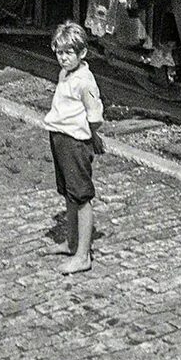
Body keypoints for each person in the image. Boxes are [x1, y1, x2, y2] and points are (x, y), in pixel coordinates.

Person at [44, 20, 106, 273]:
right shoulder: (65, 74)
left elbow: (96, 115)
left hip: (75, 142)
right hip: (59, 136)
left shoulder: (86, 82)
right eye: (59, 52)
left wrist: (93, 137)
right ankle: (72, 243)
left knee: (81, 197)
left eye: (69, 53)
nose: (63, 58)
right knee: (68, 193)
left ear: (82, 53)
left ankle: (83, 256)